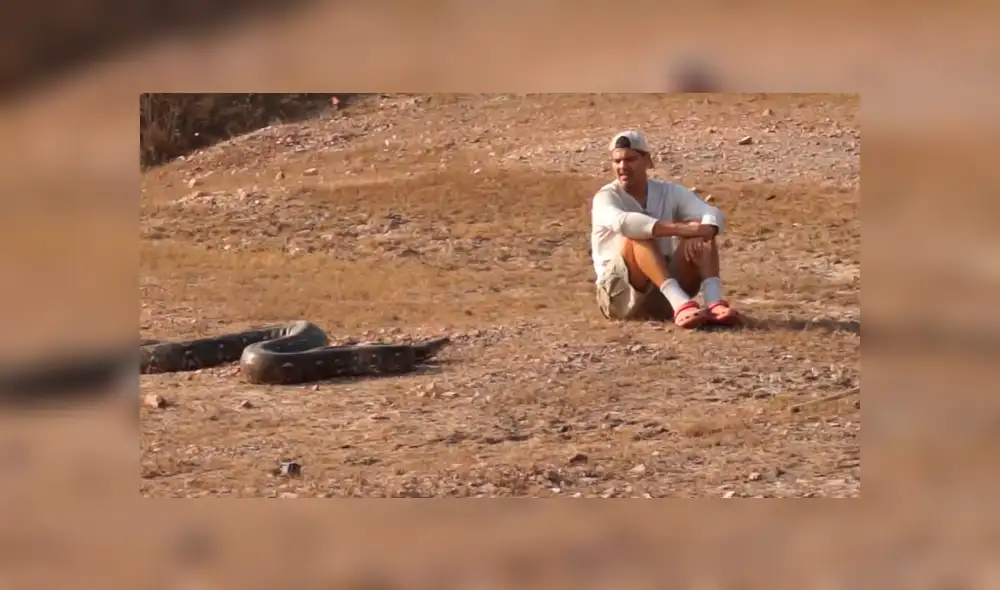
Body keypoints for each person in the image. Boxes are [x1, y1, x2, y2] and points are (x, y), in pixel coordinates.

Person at [590, 130, 741, 329]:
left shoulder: (668, 191)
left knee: (702, 233)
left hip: (661, 295)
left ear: (648, 161)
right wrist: (683, 229)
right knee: (637, 236)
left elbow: (711, 213)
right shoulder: (606, 197)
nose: (622, 167)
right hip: (620, 297)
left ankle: (714, 302)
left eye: (630, 159)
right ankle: (680, 304)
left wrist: (705, 229)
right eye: (617, 161)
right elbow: (625, 223)